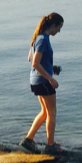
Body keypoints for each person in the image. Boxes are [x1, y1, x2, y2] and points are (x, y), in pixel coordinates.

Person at [22, 12, 64, 153]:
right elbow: (34, 62)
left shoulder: (37, 38)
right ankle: (50, 146)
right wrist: (50, 78)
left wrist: (51, 68)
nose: (59, 31)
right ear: (53, 25)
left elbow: (31, 58)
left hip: (36, 81)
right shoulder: (43, 39)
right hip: (43, 81)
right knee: (52, 113)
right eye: (59, 27)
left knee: (45, 112)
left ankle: (28, 140)